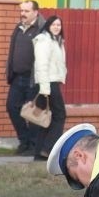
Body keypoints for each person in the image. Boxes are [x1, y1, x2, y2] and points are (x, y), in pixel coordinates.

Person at [5, 0, 46, 155]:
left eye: (26, 11)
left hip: (33, 78)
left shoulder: (42, 29)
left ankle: (33, 145)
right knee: (12, 106)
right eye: (21, 11)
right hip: (17, 77)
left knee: (33, 112)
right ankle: (24, 141)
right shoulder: (19, 27)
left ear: (35, 12)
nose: (22, 14)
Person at [32, 15, 67, 161]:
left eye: (59, 25)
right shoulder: (44, 40)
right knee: (60, 115)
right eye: (54, 25)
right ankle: (48, 148)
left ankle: (40, 153)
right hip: (47, 84)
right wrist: (45, 89)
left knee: (46, 119)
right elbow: (41, 65)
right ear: (48, 25)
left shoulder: (56, 41)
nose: (57, 27)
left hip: (51, 83)